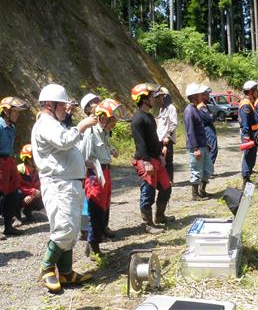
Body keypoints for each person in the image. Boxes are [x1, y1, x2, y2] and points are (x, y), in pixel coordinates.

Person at [32, 83, 97, 293]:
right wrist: (82, 125)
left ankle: (67, 272)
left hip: (69, 182)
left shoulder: (53, 122)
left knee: (72, 228)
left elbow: (64, 149)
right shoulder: (46, 123)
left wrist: (81, 162)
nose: (66, 109)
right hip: (58, 184)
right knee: (64, 228)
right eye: (63, 105)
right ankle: (47, 268)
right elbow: (63, 141)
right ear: (50, 105)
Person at [81, 99, 123, 257]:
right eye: (112, 120)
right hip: (95, 174)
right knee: (96, 208)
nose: (114, 123)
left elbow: (105, 146)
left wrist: (112, 149)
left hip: (105, 171)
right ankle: (93, 246)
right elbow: (83, 154)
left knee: (104, 206)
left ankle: (97, 239)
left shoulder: (103, 132)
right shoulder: (90, 132)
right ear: (103, 118)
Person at [130, 83, 174, 234]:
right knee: (148, 192)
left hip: (155, 158)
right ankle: (148, 224)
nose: (154, 99)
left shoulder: (148, 116)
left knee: (166, 187)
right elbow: (140, 142)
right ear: (144, 99)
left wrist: (160, 156)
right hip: (145, 160)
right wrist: (147, 162)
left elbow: (154, 140)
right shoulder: (137, 119)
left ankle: (160, 217)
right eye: (151, 96)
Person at [0, 96, 29, 240]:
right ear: (5, 112)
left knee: (13, 194)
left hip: (9, 161)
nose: (17, 114)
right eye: (14, 112)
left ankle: (9, 226)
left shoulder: (12, 127)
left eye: (17, 112)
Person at [183, 83, 213, 201]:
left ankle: (202, 191)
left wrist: (206, 143)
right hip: (196, 147)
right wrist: (195, 149)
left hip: (203, 145)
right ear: (195, 96)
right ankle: (195, 195)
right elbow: (190, 131)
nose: (202, 96)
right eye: (200, 94)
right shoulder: (189, 110)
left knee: (208, 169)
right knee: (196, 171)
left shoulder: (196, 108)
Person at [239, 80, 258, 188]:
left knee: (251, 156)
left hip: (252, 134)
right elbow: (246, 121)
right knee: (248, 157)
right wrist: (247, 136)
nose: (257, 92)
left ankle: (247, 176)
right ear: (251, 91)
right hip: (249, 134)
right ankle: (245, 179)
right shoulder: (246, 104)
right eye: (255, 90)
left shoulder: (249, 102)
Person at [156, 87, 178, 183]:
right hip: (160, 139)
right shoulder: (162, 109)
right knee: (160, 161)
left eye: (161, 96)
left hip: (167, 139)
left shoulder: (171, 108)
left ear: (165, 96)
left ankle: (169, 180)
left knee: (168, 161)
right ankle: (163, 180)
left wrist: (168, 136)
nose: (159, 99)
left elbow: (174, 123)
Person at [17, 144, 43, 223]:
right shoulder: (19, 169)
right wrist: (32, 191)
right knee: (15, 194)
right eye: (34, 157)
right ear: (28, 159)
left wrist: (33, 195)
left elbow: (41, 186)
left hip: (32, 194)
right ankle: (17, 216)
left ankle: (27, 211)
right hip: (21, 194)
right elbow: (16, 186)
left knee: (44, 196)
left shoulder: (39, 170)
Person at [197, 86, 218, 167]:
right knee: (212, 149)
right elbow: (210, 117)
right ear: (202, 95)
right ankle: (208, 170)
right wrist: (214, 115)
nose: (209, 96)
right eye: (207, 95)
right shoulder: (201, 107)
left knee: (210, 149)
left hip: (208, 128)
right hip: (207, 129)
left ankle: (208, 169)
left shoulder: (204, 105)